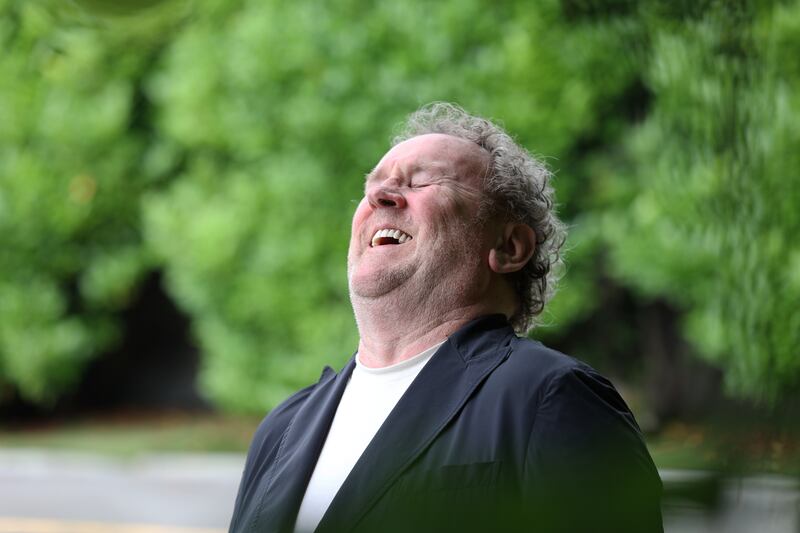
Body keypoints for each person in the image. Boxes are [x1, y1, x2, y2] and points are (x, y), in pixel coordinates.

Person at [229, 103, 663, 533]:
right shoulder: (282, 428)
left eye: (422, 182)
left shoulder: (550, 398)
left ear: (509, 247)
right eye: (374, 185)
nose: (381, 195)